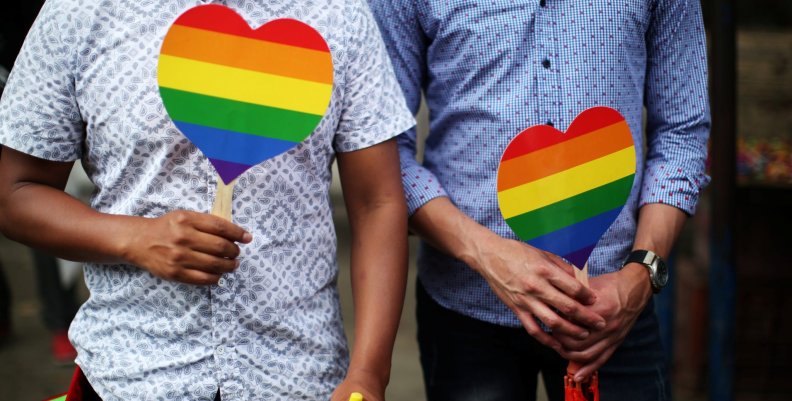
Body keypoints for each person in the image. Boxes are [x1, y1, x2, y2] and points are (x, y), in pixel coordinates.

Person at [0, 1, 414, 400]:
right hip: (131, 376)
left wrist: (368, 372)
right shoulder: (80, 12)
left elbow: (376, 203)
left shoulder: (339, 14)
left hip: (300, 376)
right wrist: (134, 238)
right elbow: (14, 193)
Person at [368, 1, 710, 400]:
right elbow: (382, 152)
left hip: (614, 310)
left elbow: (682, 132)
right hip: (467, 309)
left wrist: (641, 273)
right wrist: (487, 254)